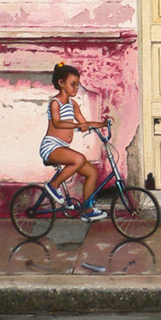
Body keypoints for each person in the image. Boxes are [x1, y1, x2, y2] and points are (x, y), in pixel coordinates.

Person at [39, 62, 109, 222]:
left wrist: (103, 124)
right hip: (51, 147)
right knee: (79, 159)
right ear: (61, 83)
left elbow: (84, 123)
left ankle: (88, 210)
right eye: (73, 84)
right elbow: (57, 123)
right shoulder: (55, 102)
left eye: (77, 85)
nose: (76, 88)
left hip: (62, 147)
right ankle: (53, 185)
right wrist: (77, 125)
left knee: (92, 172)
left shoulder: (73, 104)